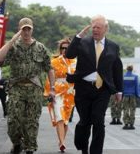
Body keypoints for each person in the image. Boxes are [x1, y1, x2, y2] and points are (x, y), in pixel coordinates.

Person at [65, 15, 123, 154]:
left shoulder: (113, 46)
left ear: (105, 29)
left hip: (102, 90)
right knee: (84, 122)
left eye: (99, 27)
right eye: (94, 27)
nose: (95, 30)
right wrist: (78, 36)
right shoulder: (83, 42)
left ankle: (96, 152)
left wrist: (119, 90)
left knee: (98, 121)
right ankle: (83, 148)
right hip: (83, 88)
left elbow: (117, 69)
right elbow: (69, 54)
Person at [0, 17, 55, 154]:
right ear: (20, 30)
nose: (27, 32)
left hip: (34, 87)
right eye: (24, 29)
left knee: (32, 121)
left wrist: (52, 88)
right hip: (16, 87)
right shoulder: (13, 46)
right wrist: (12, 41)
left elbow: (49, 68)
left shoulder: (40, 47)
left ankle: (30, 148)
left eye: (29, 29)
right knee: (13, 121)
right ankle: (17, 143)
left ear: (32, 30)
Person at [44, 38, 76, 153]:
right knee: (60, 117)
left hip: (70, 93)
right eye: (62, 48)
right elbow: (49, 77)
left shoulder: (75, 62)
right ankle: (62, 143)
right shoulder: (54, 61)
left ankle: (61, 140)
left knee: (66, 119)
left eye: (67, 48)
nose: (64, 50)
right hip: (57, 91)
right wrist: (49, 92)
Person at [122, 65, 139, 130]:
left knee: (125, 109)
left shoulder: (123, 76)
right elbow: (137, 87)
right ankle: (131, 124)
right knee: (132, 109)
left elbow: (122, 86)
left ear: (127, 69)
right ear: (132, 69)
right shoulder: (135, 77)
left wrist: (122, 94)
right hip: (133, 95)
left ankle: (126, 124)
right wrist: (137, 95)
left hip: (125, 95)